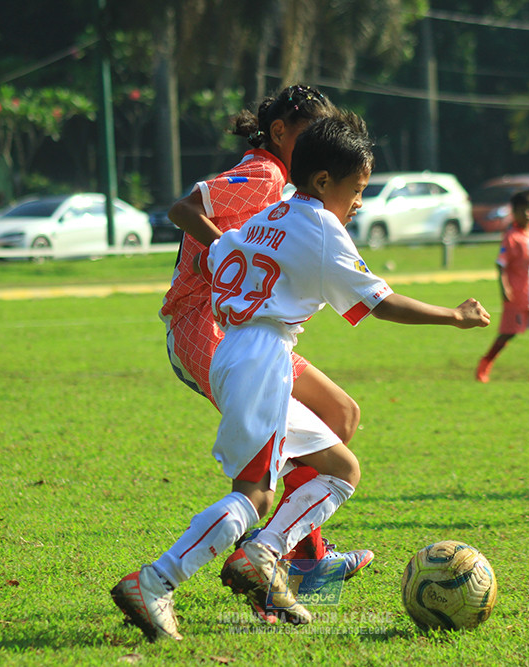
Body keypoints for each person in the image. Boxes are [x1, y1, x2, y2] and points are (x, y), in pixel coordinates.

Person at [111, 113, 491, 641]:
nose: (359, 202)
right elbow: (381, 304)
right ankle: (154, 582)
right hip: (261, 361)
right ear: (322, 182)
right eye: (356, 190)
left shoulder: (274, 215)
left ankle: (264, 554)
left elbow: (221, 253)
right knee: (255, 496)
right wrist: (454, 315)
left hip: (241, 354)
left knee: (340, 467)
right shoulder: (321, 228)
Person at [155, 84, 373, 584]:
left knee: (339, 414)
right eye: (310, 132)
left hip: (241, 327)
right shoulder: (263, 173)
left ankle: (293, 553)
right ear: (279, 132)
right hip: (203, 324)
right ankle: (274, 561)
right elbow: (183, 209)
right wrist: (230, 251)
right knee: (268, 464)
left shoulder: (292, 188)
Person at [476, 190, 529, 382]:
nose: (527, 214)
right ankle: (484, 364)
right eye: (522, 210)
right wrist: (504, 288)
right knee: (508, 333)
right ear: (514, 212)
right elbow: (500, 264)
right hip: (518, 294)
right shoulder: (511, 236)